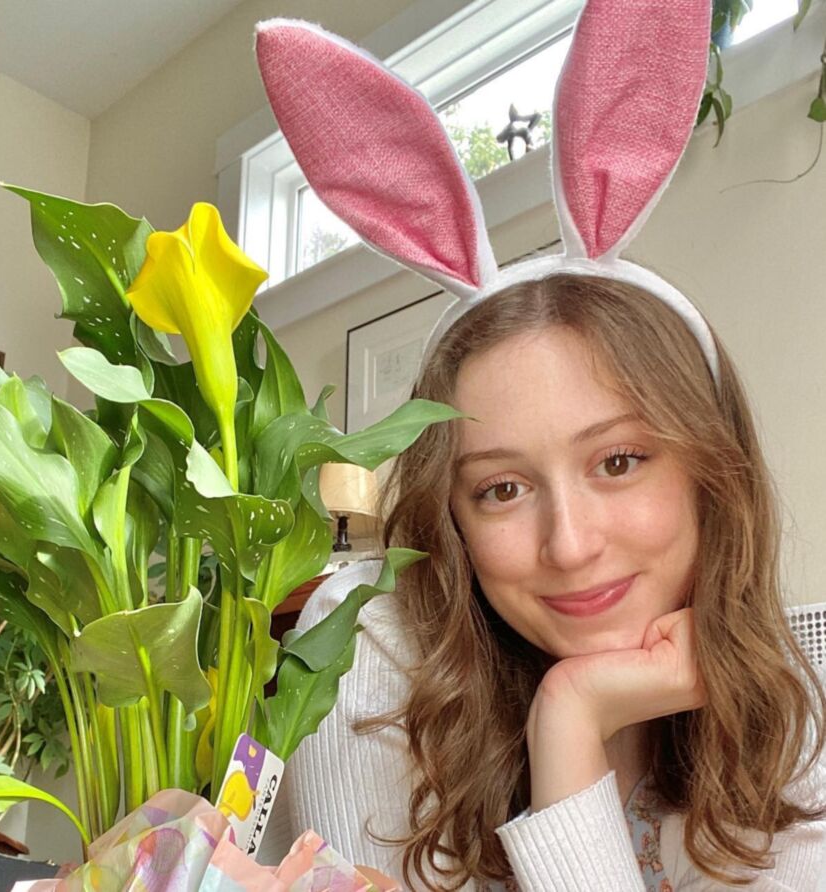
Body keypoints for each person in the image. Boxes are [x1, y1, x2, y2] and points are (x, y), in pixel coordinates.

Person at [253, 3, 826, 888]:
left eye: (619, 462)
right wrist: (571, 720)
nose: (570, 544)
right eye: (501, 490)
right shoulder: (369, 650)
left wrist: (573, 724)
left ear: (715, 473)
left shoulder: (795, 703)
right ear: (451, 517)